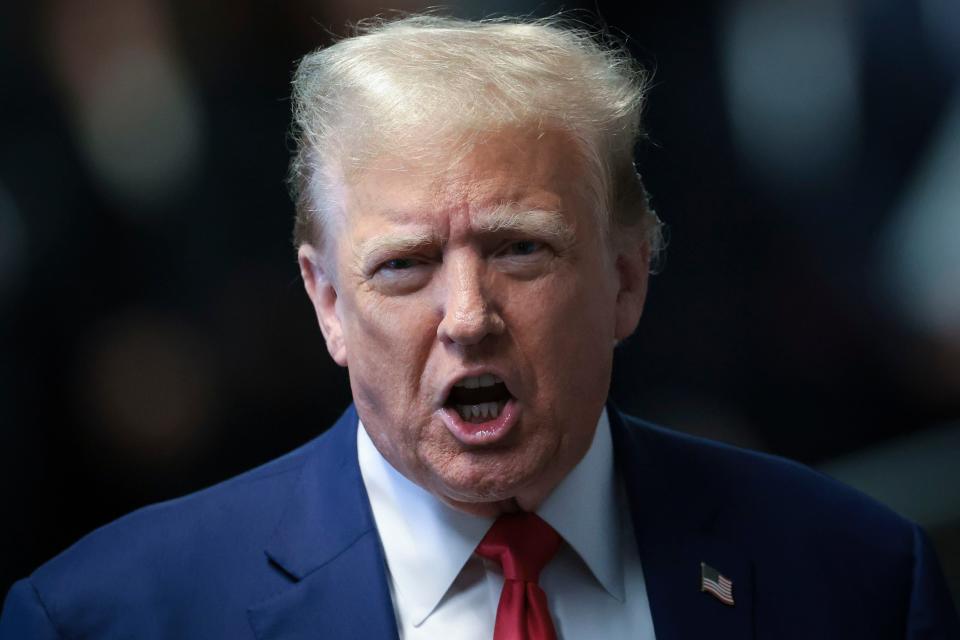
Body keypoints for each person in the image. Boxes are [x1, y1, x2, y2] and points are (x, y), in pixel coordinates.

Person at [1, 15, 958, 640]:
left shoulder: (863, 580)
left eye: (520, 251)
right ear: (327, 302)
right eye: (404, 266)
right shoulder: (104, 618)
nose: (468, 316)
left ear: (627, 277)